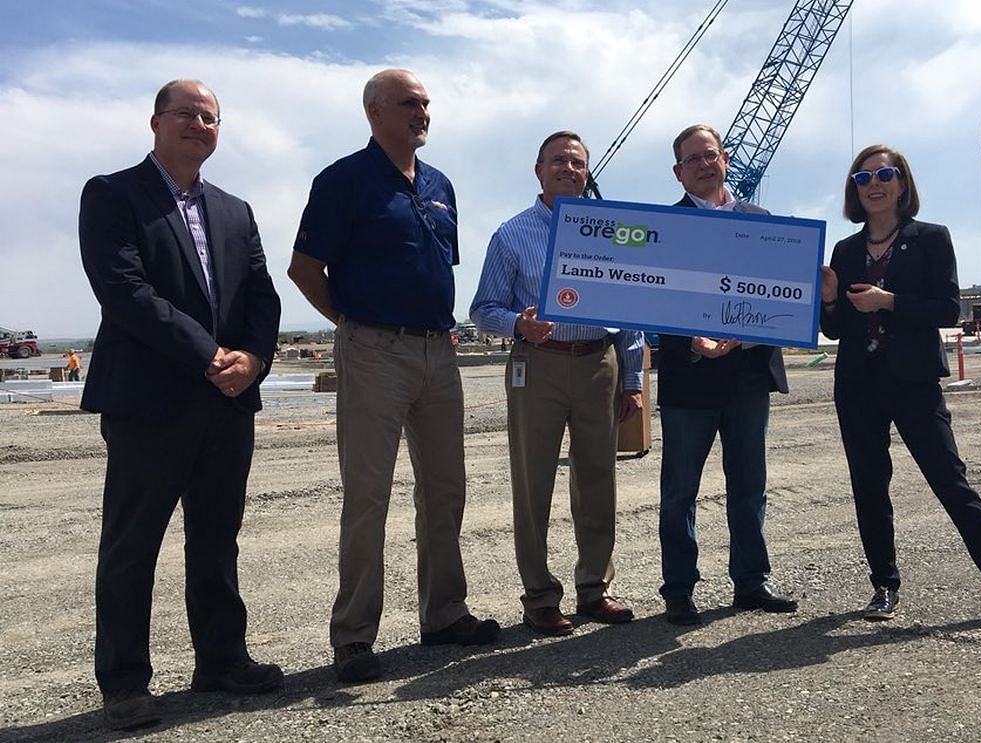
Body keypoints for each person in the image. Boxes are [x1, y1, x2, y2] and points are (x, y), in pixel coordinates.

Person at [78, 79, 283, 730]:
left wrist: (251, 359)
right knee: (132, 545)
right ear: (155, 122)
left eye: (211, 117)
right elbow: (124, 289)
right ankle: (124, 680)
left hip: (227, 402)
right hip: (149, 399)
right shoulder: (112, 194)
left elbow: (262, 297)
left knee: (217, 540)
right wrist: (208, 354)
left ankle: (222, 657)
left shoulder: (235, 209)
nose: (200, 124)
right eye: (187, 114)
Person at [288, 68, 499, 685]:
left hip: (440, 350)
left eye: (427, 103)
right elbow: (304, 268)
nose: (423, 112)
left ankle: (443, 614)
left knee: (445, 489)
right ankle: (354, 636)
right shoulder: (342, 181)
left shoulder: (439, 185)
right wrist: (353, 323)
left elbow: (433, 265)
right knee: (368, 495)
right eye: (410, 103)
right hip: (374, 350)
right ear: (375, 110)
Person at [819, 144, 981, 628]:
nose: (874, 184)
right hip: (857, 384)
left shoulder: (932, 238)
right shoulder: (846, 251)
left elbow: (947, 310)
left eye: (884, 175)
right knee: (869, 488)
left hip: (914, 382)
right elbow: (835, 331)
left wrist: (887, 301)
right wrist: (830, 301)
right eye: (863, 177)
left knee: (951, 483)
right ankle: (883, 585)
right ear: (854, 189)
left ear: (902, 183)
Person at [470, 131, 645, 636]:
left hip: (599, 362)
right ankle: (539, 596)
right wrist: (518, 325)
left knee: (598, 481)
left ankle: (595, 588)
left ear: (587, 172)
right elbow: (483, 308)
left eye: (577, 162)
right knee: (533, 483)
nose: (569, 168)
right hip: (539, 365)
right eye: (558, 161)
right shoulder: (511, 234)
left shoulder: (612, 232)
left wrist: (631, 378)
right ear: (538, 170)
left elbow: (631, 309)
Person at [656, 124, 797, 626]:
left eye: (709, 155)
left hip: (747, 378)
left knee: (749, 487)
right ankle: (678, 589)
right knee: (678, 494)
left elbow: (779, 297)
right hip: (688, 379)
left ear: (726, 159)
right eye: (691, 159)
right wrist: (690, 337)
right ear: (678, 172)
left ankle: (752, 582)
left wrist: (742, 337)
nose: (702, 164)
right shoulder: (662, 227)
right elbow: (651, 297)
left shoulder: (762, 222)